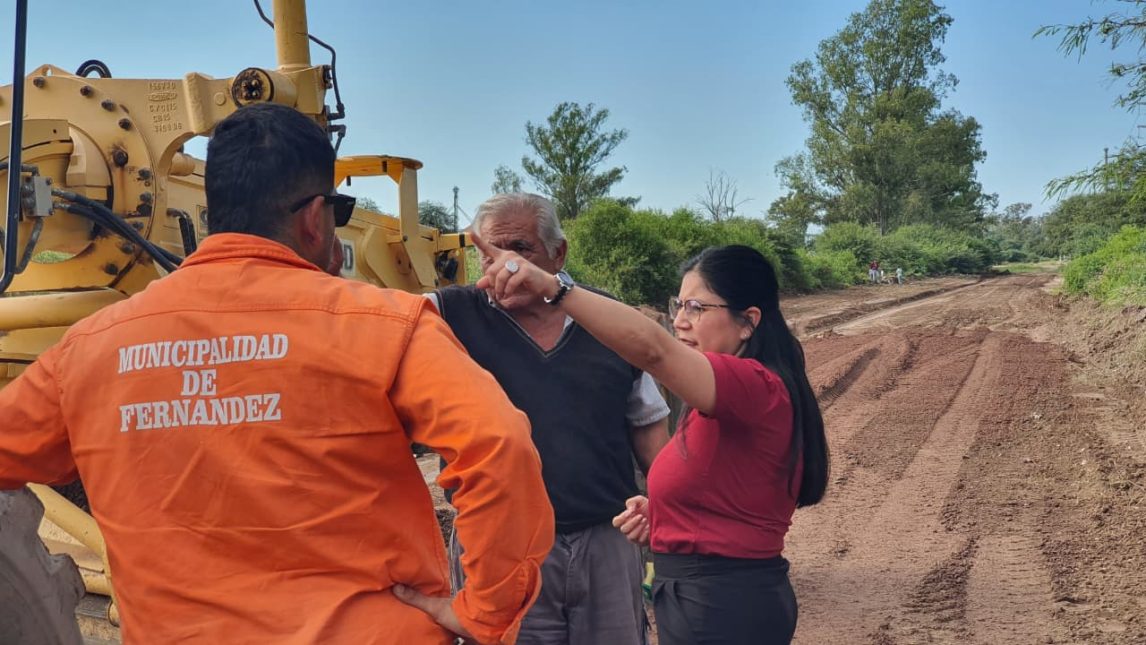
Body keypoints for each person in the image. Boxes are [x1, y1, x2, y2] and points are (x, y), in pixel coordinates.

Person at [0, 103, 554, 645]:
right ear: (314, 218)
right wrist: (487, 612)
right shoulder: (388, 324)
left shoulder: (88, 348)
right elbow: (499, 447)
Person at [443, 238, 830, 645]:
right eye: (678, 305)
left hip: (723, 605)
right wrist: (670, 515)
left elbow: (653, 351)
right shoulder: (728, 397)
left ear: (748, 321)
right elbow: (731, 492)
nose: (680, 321)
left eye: (697, 308)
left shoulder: (752, 385)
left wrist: (554, 289)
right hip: (714, 597)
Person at [415, 193, 671, 645]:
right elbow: (375, 323)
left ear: (559, 253)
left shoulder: (606, 319)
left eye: (519, 249)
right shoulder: (449, 313)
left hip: (606, 538)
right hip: (499, 547)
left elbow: (649, 424)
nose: (503, 266)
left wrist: (668, 505)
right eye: (488, 253)